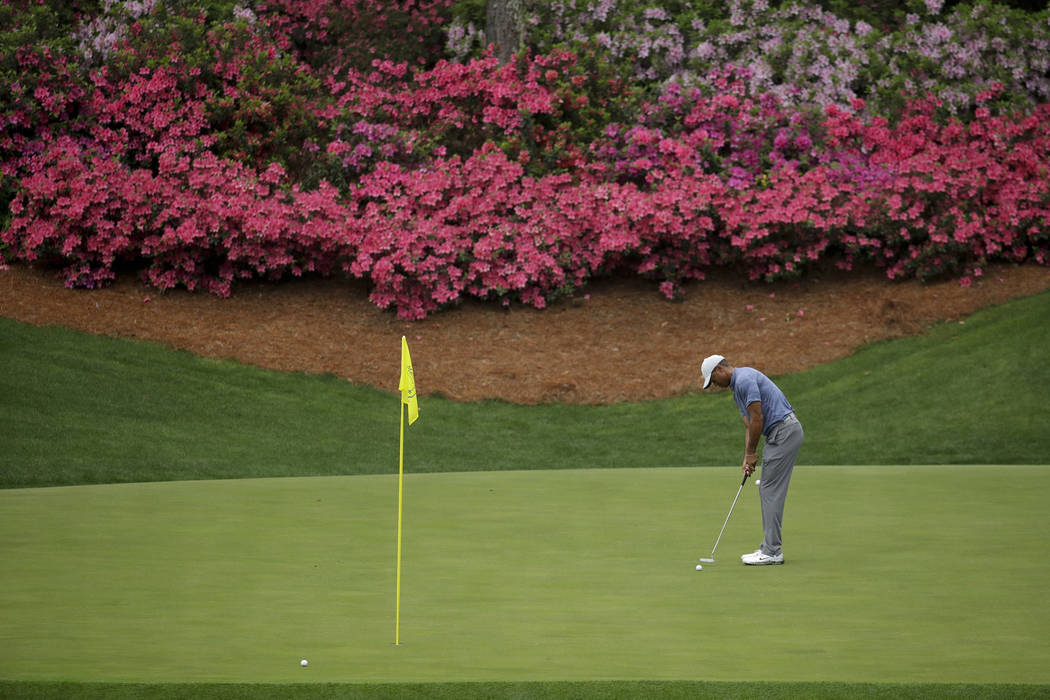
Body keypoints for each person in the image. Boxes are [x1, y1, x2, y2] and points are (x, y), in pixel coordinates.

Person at [700, 354, 804, 565]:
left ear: (720, 369)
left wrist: (752, 453)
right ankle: (771, 549)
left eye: (713, 380)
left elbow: (758, 417)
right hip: (779, 434)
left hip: (784, 431)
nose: (714, 386)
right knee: (767, 488)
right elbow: (749, 424)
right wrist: (748, 456)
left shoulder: (745, 379)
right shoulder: (737, 388)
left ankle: (772, 551)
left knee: (769, 489)